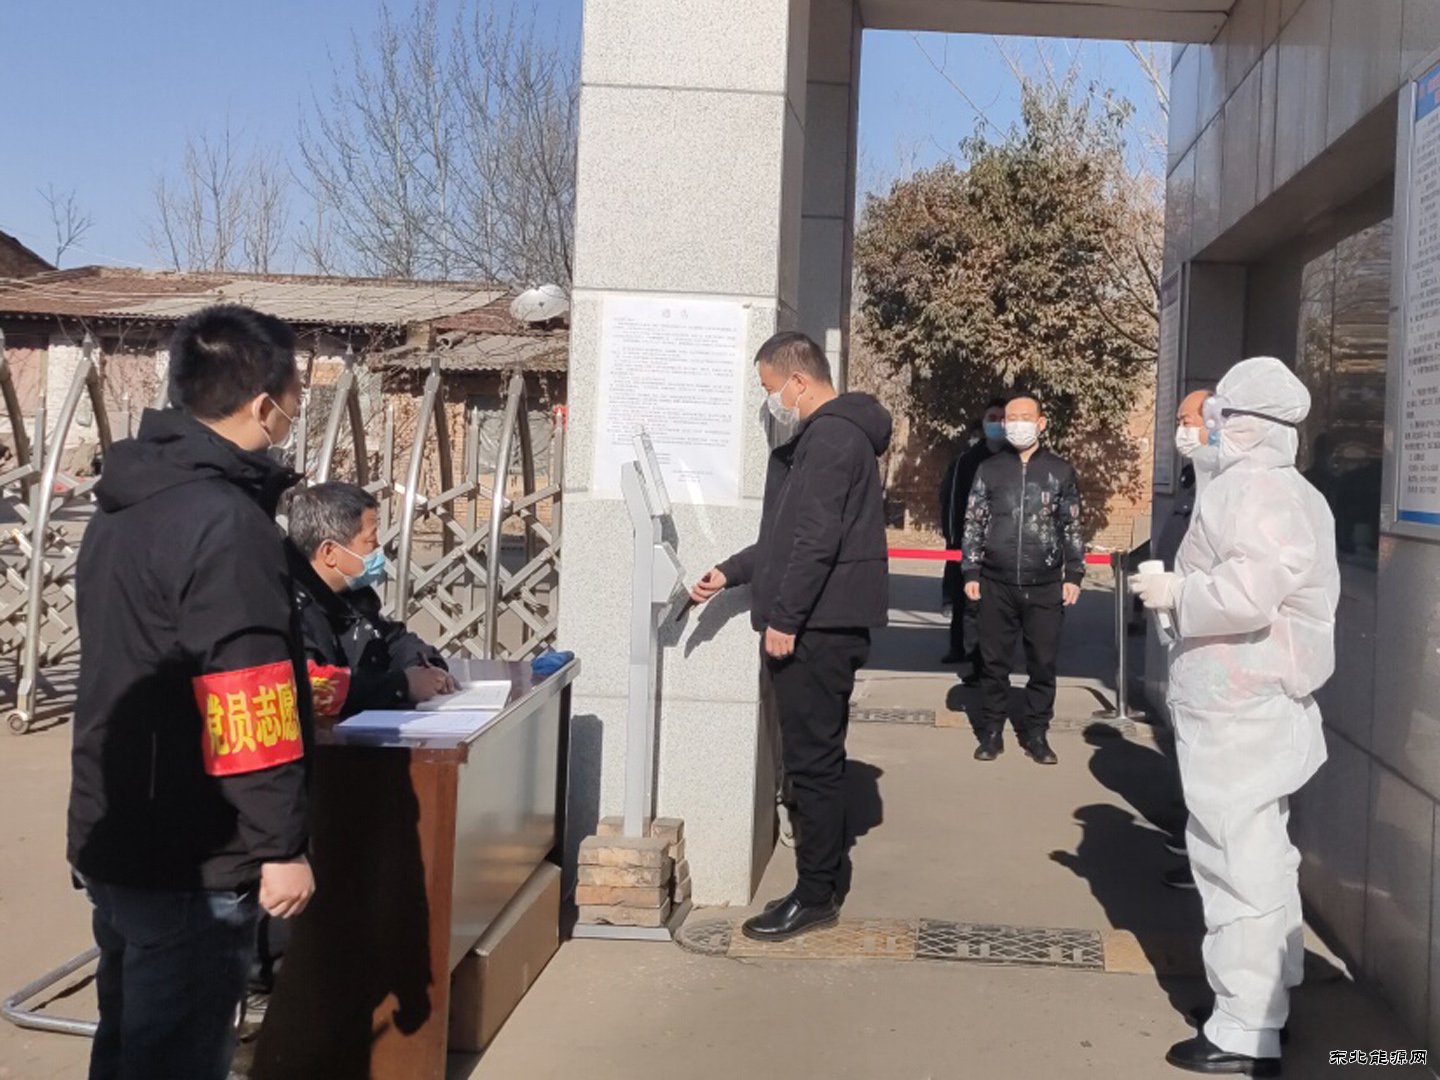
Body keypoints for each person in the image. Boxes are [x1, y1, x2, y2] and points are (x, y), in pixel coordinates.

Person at [68, 304, 315, 1080]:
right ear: (264, 404)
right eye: (296, 393)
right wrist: (280, 844)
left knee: (130, 1043)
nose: (296, 408)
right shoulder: (226, 523)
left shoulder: (125, 502)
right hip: (195, 846)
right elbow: (246, 695)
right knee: (175, 1054)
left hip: (120, 823)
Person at [1131, 356, 1339, 1077]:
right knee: (1263, 856)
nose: (1207, 425)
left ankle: (1246, 1028)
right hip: (1255, 703)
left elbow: (1247, 594)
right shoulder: (1287, 490)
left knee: (1234, 864)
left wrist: (1175, 594)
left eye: (1218, 413)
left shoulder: (1254, 490)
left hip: (1240, 707)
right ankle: (1268, 997)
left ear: (1244, 422)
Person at [688, 331, 891, 943]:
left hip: (818, 630)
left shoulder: (830, 438)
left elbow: (815, 541)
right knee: (812, 758)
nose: (770, 402)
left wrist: (786, 619)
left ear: (799, 381)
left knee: (812, 764)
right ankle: (819, 883)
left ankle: (816, 894)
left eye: (771, 389)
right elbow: (785, 536)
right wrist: (732, 572)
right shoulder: (831, 438)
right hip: (821, 622)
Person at [961, 394, 1084, 765]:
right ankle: (992, 730)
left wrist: (1074, 573)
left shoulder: (1060, 471)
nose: (1016, 424)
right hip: (996, 581)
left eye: (1024, 417)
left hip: (1044, 583)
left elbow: (1072, 524)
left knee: (1042, 663)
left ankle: (1037, 732)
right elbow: (974, 521)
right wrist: (971, 570)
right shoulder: (989, 469)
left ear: (1041, 423)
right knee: (993, 662)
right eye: (1010, 418)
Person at [284, 482, 457, 722]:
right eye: (370, 540)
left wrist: (426, 666)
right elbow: (312, 686)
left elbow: (390, 639)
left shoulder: (352, 593)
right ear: (330, 552)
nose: (378, 548)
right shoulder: (286, 605)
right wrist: (402, 685)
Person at [939, 397, 1008, 682]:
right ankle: (966, 655)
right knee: (965, 602)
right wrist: (954, 542)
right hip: (967, 544)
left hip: (1002, 546)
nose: (998, 424)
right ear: (983, 422)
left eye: (1003, 419)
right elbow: (952, 501)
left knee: (995, 608)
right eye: (992, 418)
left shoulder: (1015, 460)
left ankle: (992, 660)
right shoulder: (966, 461)